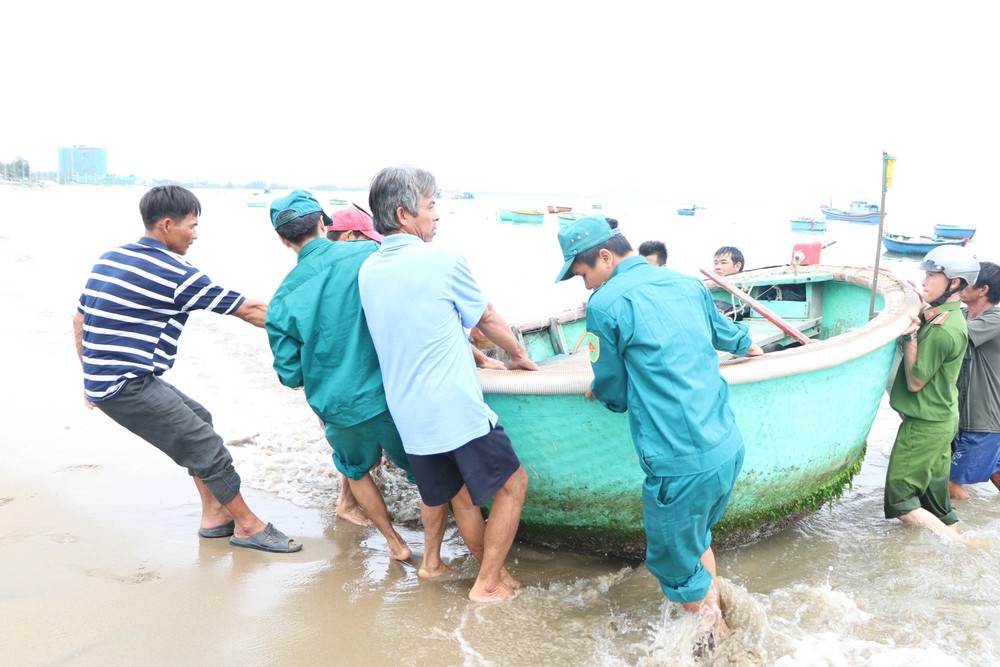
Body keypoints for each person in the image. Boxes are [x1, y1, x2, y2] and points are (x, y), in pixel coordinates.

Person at [555, 216, 763, 635]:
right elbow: (731, 336)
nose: (587, 286)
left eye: (584, 274)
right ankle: (717, 612)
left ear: (605, 256)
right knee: (696, 538)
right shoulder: (687, 284)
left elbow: (612, 388)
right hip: (726, 446)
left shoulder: (605, 304)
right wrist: (751, 346)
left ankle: (721, 645)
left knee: (672, 562)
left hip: (678, 464)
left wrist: (605, 390)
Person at [73, 185, 301, 553]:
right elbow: (249, 310)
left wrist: (90, 377)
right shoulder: (175, 274)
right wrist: (312, 329)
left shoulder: (110, 258)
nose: (195, 235)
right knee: (207, 447)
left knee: (200, 418)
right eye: (192, 226)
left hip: (111, 380)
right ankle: (248, 526)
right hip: (126, 385)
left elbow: (80, 320)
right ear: (166, 225)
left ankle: (214, 516)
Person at [359, 165, 539, 602]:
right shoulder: (442, 260)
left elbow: (427, 327)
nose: (437, 214)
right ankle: (488, 582)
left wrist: (476, 357)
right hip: (453, 408)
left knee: (461, 499)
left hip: (410, 412)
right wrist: (517, 356)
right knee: (514, 484)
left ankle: (493, 575)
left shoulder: (368, 270)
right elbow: (487, 318)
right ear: (404, 214)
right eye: (431, 204)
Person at [265, 190, 415, 559]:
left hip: (337, 407)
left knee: (355, 469)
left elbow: (289, 374)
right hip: (388, 395)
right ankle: (436, 554)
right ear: (323, 222)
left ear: (284, 240)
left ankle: (394, 544)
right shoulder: (368, 254)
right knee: (426, 471)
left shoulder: (281, 300)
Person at [884, 244, 979, 542]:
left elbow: (915, 382)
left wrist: (911, 336)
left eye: (933, 275)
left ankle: (965, 546)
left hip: (925, 424)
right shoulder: (948, 317)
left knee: (901, 501)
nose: (925, 280)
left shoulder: (942, 329)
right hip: (941, 420)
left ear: (955, 283)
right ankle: (963, 547)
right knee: (937, 505)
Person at [949, 261, 1000, 500]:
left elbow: (955, 334)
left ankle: (969, 533)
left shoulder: (995, 319)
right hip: (978, 417)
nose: (960, 284)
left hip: (985, 419)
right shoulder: (962, 314)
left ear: (983, 290)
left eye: (967, 281)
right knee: (996, 473)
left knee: (950, 483)